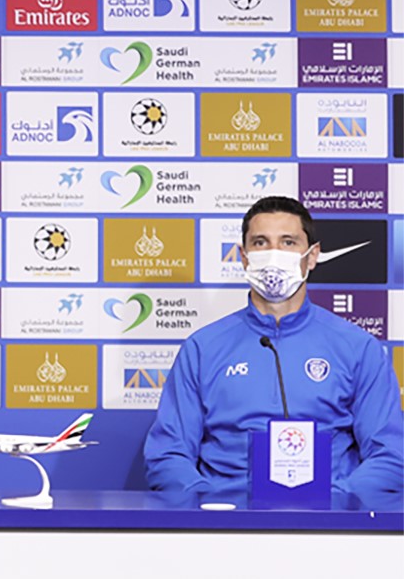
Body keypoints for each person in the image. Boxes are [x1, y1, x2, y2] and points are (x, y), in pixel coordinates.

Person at [145, 196, 403, 495]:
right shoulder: (202, 349)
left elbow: (390, 456)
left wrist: (335, 502)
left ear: (312, 255)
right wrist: (209, 508)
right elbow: (168, 455)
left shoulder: (358, 347)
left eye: (288, 242)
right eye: (260, 243)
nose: (273, 254)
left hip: (328, 525)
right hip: (227, 526)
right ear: (243, 256)